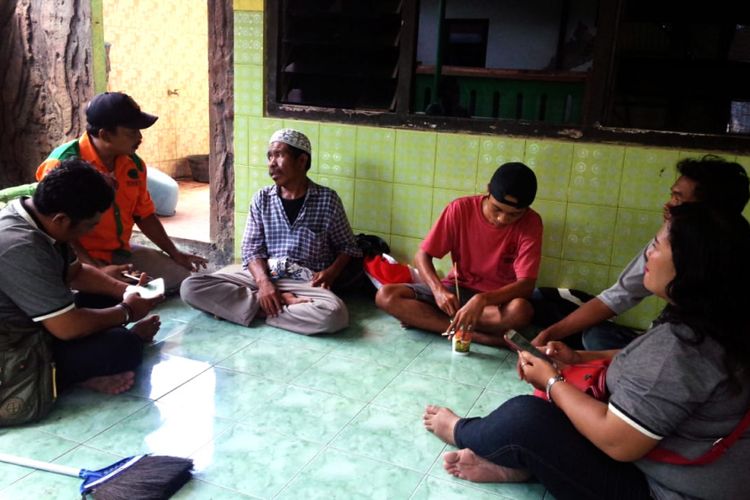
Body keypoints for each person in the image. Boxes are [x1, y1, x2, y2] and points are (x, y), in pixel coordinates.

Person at [423, 203, 750, 500]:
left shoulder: (681, 347)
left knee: (528, 417)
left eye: (657, 245)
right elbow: (650, 372)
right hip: (674, 464)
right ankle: (526, 467)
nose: (647, 255)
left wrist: (551, 381)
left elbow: (616, 441)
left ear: (690, 265)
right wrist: (580, 358)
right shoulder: (718, 320)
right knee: (573, 396)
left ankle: (460, 430)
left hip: (661, 490)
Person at [533, 155, 749, 350]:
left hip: (696, 356)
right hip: (668, 346)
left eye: (678, 199)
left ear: (707, 212)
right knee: (596, 336)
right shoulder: (668, 243)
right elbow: (620, 295)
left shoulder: (725, 263)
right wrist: (551, 336)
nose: (668, 204)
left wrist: (555, 382)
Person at [0, 159, 163, 413]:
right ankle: (73, 378)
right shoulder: (19, 247)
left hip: (35, 326)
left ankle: (80, 367)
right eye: (91, 224)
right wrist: (127, 312)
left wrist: (126, 292)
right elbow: (67, 327)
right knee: (124, 347)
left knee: (105, 299)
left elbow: (76, 273)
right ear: (62, 219)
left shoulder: (38, 217)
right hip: (14, 351)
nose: (92, 230)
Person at [180, 129, 361, 335]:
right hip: (264, 274)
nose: (272, 163)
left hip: (305, 281)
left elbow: (348, 247)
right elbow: (251, 249)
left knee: (334, 315)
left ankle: (253, 308)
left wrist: (330, 274)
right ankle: (278, 302)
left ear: (302, 161)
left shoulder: (327, 200)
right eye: (269, 156)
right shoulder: (262, 198)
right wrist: (264, 284)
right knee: (191, 287)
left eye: (279, 155)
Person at [35, 92, 207, 293]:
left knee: (181, 277)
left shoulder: (133, 164)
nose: (140, 138)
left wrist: (174, 252)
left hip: (120, 254)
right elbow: (57, 230)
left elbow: (144, 215)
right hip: (74, 258)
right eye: (132, 132)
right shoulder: (63, 163)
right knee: (114, 292)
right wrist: (97, 269)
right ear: (105, 134)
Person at [376, 162, 543, 347]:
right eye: (497, 209)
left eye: (514, 215)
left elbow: (526, 285)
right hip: (456, 293)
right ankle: (483, 337)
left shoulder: (531, 223)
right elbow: (422, 256)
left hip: (495, 303)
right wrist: (438, 291)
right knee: (386, 295)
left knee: (521, 311)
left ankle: (429, 321)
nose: (502, 219)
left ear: (525, 210)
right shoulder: (460, 209)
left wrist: (482, 300)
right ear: (488, 190)